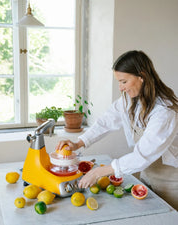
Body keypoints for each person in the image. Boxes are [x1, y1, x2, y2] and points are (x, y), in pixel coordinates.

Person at [57, 50, 178, 210]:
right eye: (119, 82)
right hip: (146, 173)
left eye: (124, 82)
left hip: (170, 181)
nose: (121, 88)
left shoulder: (165, 111)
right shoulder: (131, 99)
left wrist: (99, 172)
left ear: (142, 76)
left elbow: (142, 155)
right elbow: (106, 121)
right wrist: (78, 143)